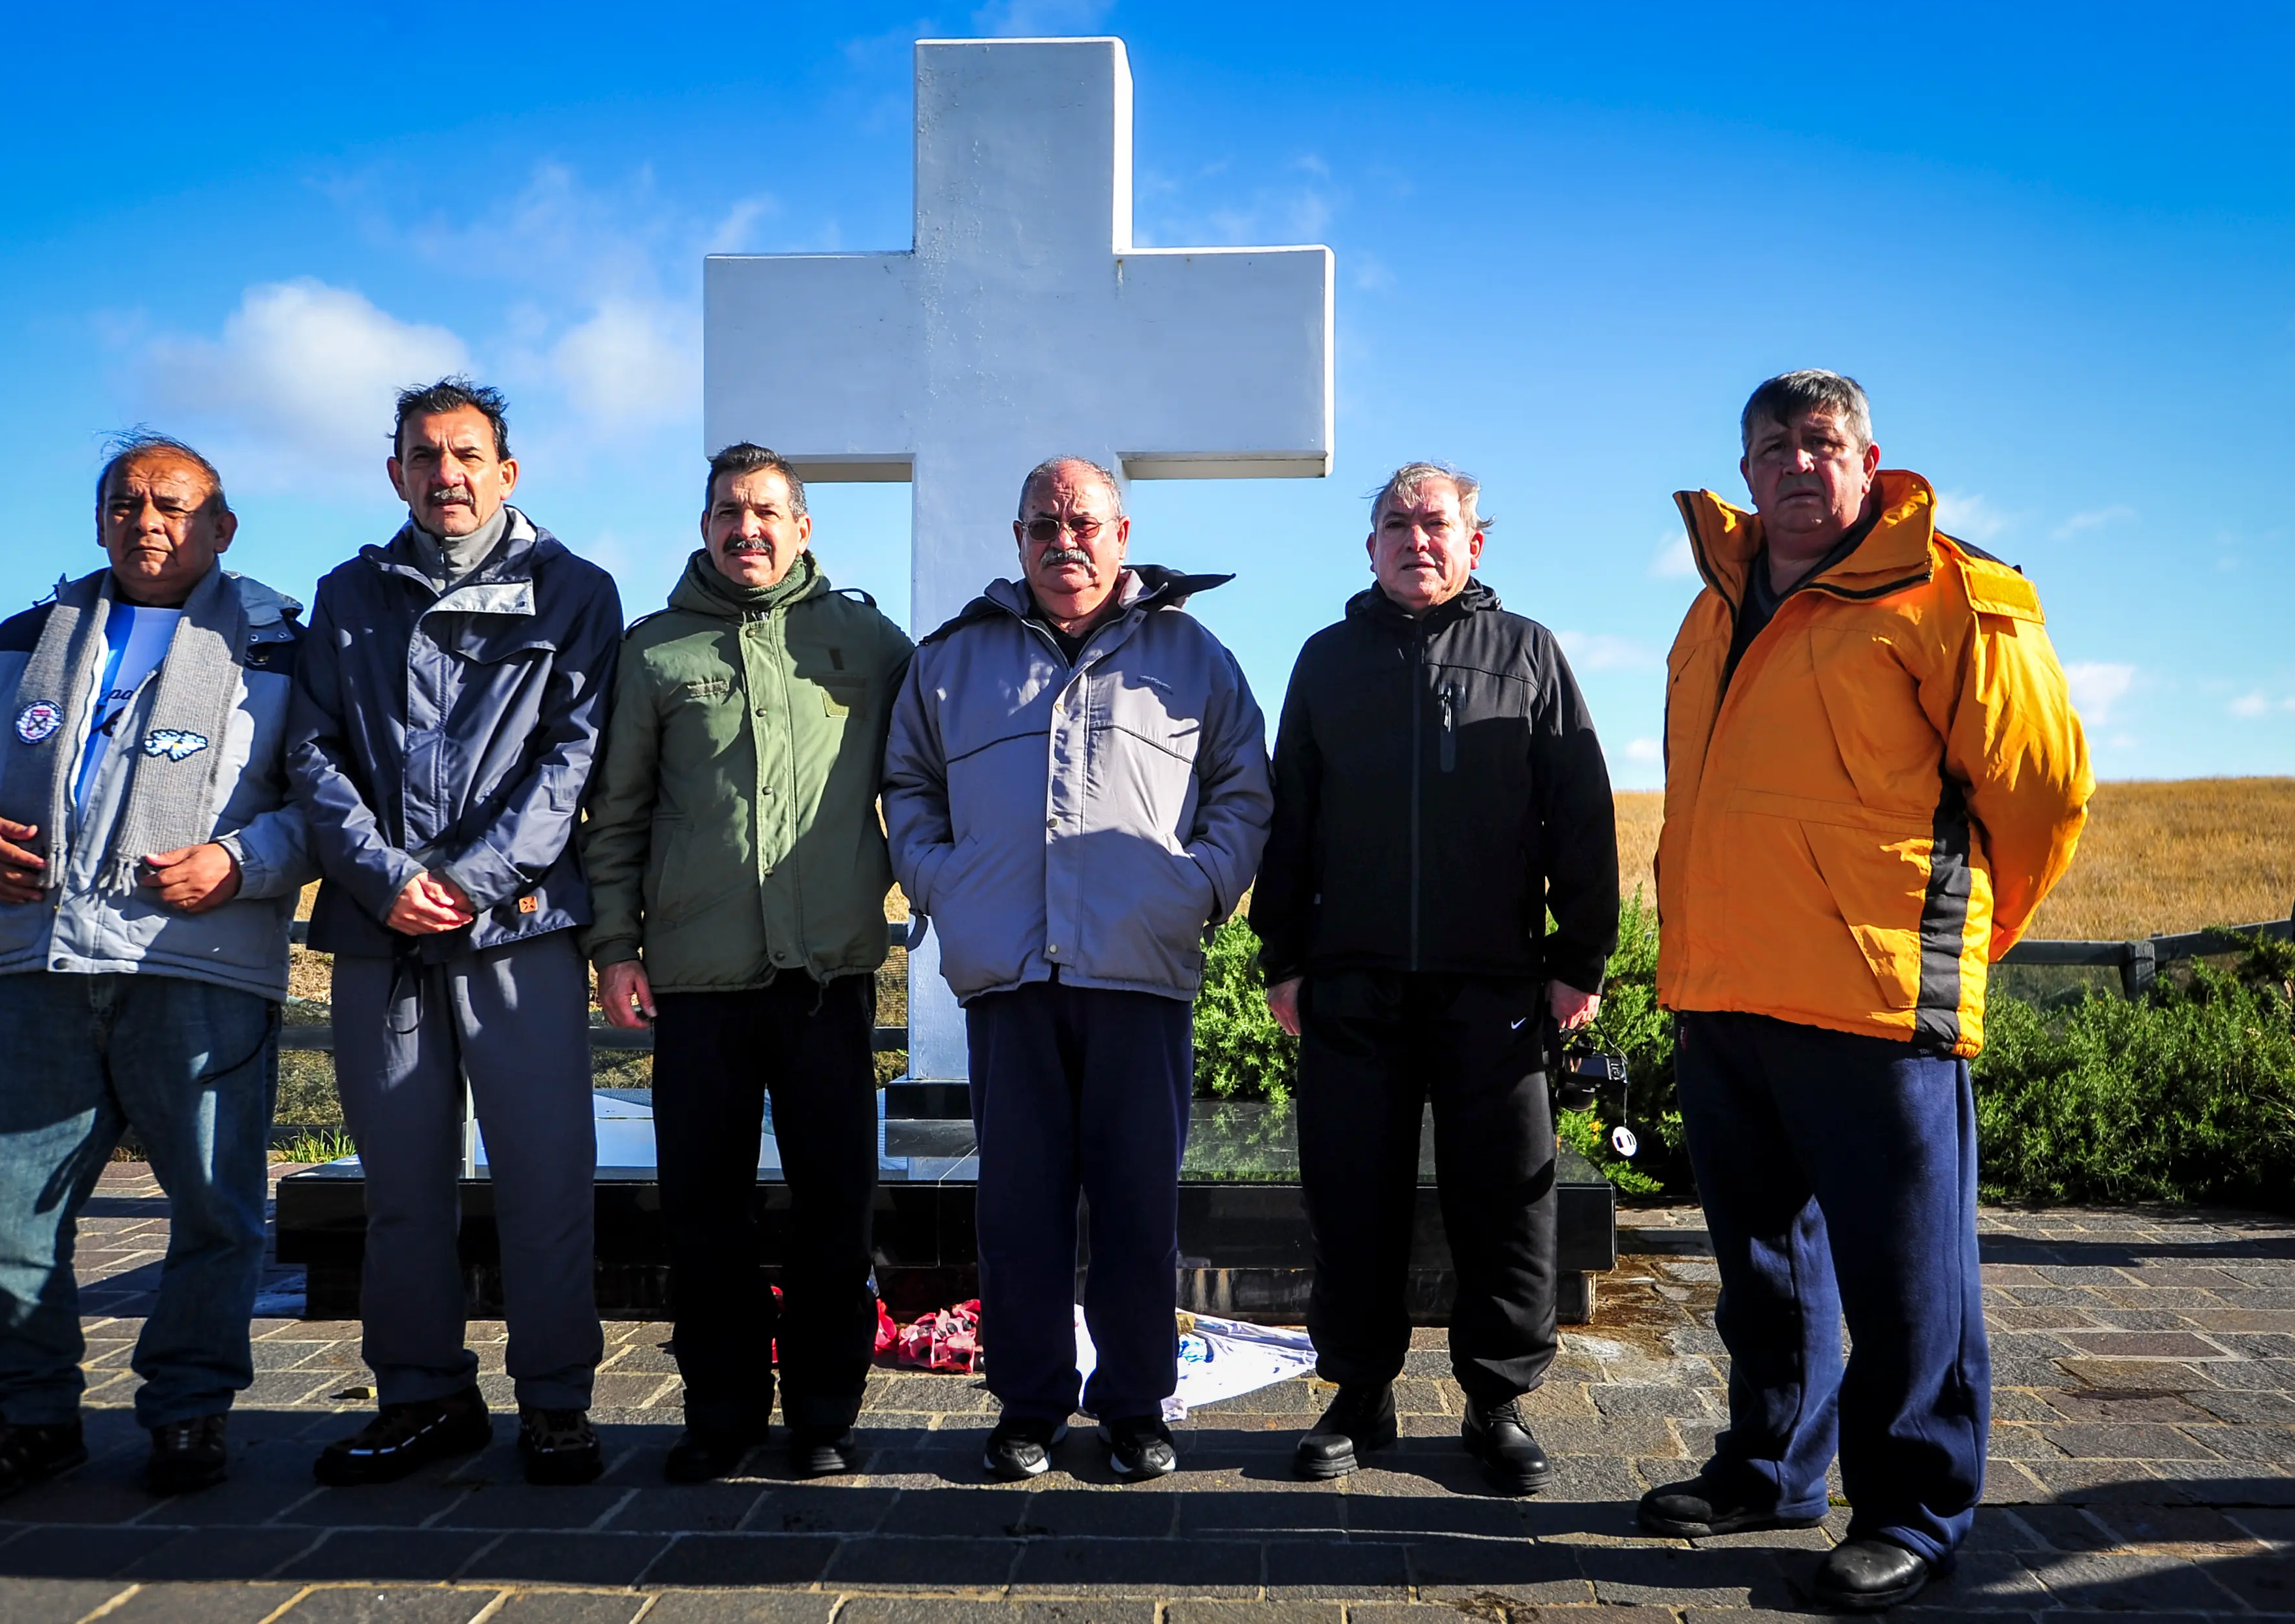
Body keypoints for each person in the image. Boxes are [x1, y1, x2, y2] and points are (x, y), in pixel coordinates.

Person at [1642, 371, 2090, 1610]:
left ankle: (1915, 1510)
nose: (1797, 461)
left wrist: (1956, 946)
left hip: (1876, 1002)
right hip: (1725, 993)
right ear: (1745, 471)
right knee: (1764, 1270)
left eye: (1821, 440)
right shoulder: (1709, 608)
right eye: (1773, 444)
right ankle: (1770, 1468)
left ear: (1867, 455)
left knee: (1909, 1282)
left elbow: (2042, 793)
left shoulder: (1954, 593)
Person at [0, 432, 313, 1510]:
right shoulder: (21, 641)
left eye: (175, 506)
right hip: (37, 967)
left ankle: (189, 1416)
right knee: (3, 1213)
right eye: (127, 502)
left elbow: (326, 800)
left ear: (221, 528)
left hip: (200, 973)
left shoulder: (281, 650)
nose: (149, 522)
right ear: (99, 519)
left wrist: (242, 859)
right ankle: (28, 1419)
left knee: (217, 1213)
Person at [882, 455, 1272, 1482]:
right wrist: (939, 880)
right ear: (1017, 540)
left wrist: (1198, 886)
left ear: (1122, 532)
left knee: (1139, 1205)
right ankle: (1029, 1406)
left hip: (1139, 972)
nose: (1066, 541)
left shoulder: (1195, 658)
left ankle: (1137, 1406)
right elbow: (908, 785)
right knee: (1018, 1205)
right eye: (1045, 525)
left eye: (1084, 523)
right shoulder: (951, 663)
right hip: (1009, 978)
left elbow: (1242, 788)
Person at [1253, 462, 1619, 1494]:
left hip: (1494, 984)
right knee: (1349, 1195)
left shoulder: (1528, 655)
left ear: (1474, 542)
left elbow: (1580, 815)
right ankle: (1358, 1396)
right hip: (1352, 984)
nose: (1417, 540)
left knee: (1503, 1202)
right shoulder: (1325, 661)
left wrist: (1578, 959)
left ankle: (1493, 1402)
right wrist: (1281, 957)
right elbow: (1292, 819)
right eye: (1395, 524)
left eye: (1436, 523)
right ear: (1368, 546)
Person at [285, 377, 623, 1488]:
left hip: (516, 932)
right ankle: (423, 1396)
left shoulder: (575, 593)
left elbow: (568, 762)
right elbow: (314, 755)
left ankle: (556, 1402)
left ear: (506, 471)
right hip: (382, 935)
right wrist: (385, 878)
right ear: (395, 472)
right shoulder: (345, 597)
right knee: (401, 1190)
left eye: (467, 454)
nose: (447, 475)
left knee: (546, 1177)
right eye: (424, 456)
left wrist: (472, 880)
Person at [580, 442, 914, 1481]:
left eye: (767, 511)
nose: (747, 529)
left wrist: (928, 882)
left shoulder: (867, 642)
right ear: (704, 525)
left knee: (833, 1205)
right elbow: (617, 816)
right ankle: (719, 1412)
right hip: (696, 980)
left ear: (803, 526)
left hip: (826, 981)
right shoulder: (656, 653)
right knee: (704, 1211)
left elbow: (925, 774)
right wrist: (613, 947)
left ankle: (823, 1413)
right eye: (729, 510)